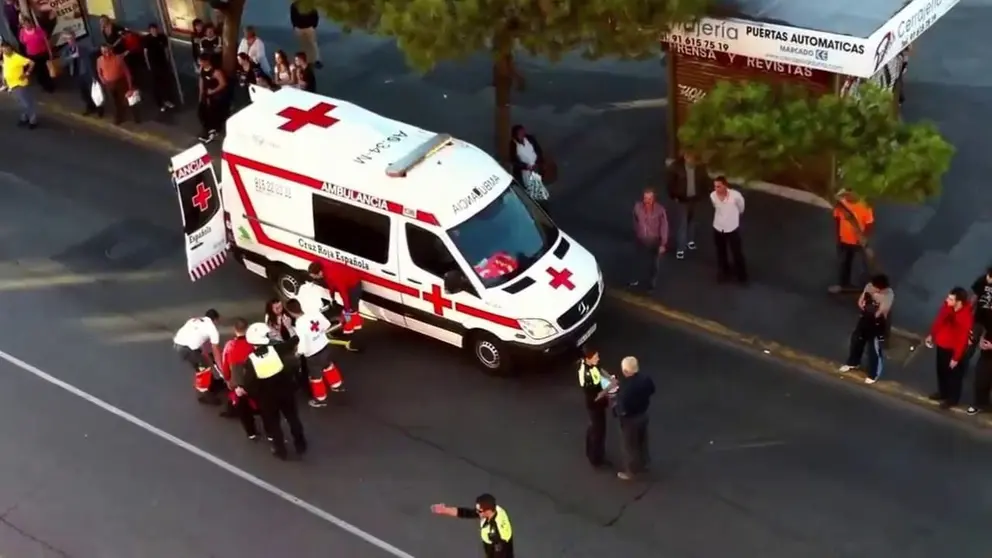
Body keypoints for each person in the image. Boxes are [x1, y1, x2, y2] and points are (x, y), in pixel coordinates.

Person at [236, 322, 307, 460]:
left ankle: (281, 450)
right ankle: (300, 443)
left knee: (274, 424)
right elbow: (291, 343)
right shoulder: (276, 349)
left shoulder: (250, 361)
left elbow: (250, 384)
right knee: (293, 418)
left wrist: (244, 391)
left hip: (267, 398)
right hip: (286, 390)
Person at [284, 298, 344, 407]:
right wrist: (320, 333)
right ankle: (336, 385)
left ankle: (320, 399)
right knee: (328, 366)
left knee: (316, 377)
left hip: (313, 354)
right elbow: (326, 324)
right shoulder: (312, 314)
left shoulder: (299, 324)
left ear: (290, 312)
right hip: (324, 345)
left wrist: (299, 352)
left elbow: (304, 342)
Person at [839, 274, 894, 384]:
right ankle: (853, 362)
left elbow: (882, 311)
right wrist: (864, 305)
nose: (874, 289)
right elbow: (861, 300)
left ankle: (874, 374)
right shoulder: (869, 286)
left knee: (874, 348)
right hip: (865, 318)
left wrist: (873, 310)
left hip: (877, 323)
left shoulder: (888, 294)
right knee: (857, 340)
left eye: (877, 288)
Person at [925, 287, 973, 409]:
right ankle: (943, 392)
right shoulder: (947, 307)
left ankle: (952, 399)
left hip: (953, 349)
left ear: (959, 302)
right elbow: (939, 320)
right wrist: (932, 334)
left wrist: (956, 358)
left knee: (954, 376)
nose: (947, 300)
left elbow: (962, 340)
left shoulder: (965, 317)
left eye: (951, 299)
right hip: (942, 344)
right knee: (941, 371)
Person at [431, 494, 513, 558]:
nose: (477, 512)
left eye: (479, 511)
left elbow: (500, 552)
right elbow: (467, 513)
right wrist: (445, 510)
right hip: (492, 543)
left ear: (488, 511)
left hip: (499, 548)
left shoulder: (497, 532)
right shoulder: (493, 509)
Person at [172, 309, 223, 405]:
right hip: (187, 349)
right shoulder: (212, 329)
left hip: (179, 343)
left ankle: (211, 383)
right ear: (215, 319)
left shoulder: (195, 320)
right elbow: (216, 352)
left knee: (202, 363)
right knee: (204, 369)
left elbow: (202, 343)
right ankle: (204, 396)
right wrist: (221, 370)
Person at [615, 356, 654, 481]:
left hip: (630, 420)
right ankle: (644, 463)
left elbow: (622, 408)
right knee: (642, 441)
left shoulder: (626, 388)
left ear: (626, 371)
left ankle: (631, 471)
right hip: (643, 414)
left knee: (629, 446)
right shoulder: (646, 379)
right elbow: (652, 389)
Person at [829, 191, 874, 293]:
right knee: (843, 263)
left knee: (864, 265)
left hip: (859, 242)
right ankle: (843, 285)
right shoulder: (841, 205)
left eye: (849, 194)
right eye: (845, 194)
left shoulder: (864, 206)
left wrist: (865, 238)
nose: (847, 197)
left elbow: (869, 223)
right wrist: (838, 236)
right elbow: (837, 219)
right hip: (844, 240)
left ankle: (866, 288)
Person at [220, 318, 260, 435]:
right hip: (253, 380)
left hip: (238, 382)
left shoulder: (230, 346)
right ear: (247, 329)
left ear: (234, 329)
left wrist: (227, 378)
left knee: (242, 406)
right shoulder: (253, 345)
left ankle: (251, 432)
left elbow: (225, 365)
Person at [577, 346, 615, 468]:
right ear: (588, 359)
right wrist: (610, 387)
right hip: (595, 405)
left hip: (598, 404)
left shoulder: (592, 364)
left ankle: (593, 452)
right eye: (596, 357)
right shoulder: (587, 376)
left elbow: (600, 370)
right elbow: (596, 396)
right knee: (598, 431)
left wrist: (609, 377)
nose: (598, 358)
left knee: (595, 428)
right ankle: (596, 458)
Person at [666, 153, 708, 260]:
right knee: (682, 223)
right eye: (689, 157)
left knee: (691, 220)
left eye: (693, 157)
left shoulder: (700, 169)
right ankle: (681, 248)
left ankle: (690, 240)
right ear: (685, 157)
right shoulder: (676, 168)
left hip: (694, 199)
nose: (691, 160)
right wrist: (674, 195)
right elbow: (670, 183)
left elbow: (705, 182)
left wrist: (703, 194)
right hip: (681, 199)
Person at [308, 261, 364, 336]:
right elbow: (331, 284)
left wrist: (346, 308)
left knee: (351, 310)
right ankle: (351, 324)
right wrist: (332, 297)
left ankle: (352, 328)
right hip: (347, 279)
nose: (314, 278)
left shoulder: (334, 276)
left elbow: (344, 294)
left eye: (314, 276)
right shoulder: (326, 272)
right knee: (348, 310)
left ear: (320, 272)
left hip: (354, 284)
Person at [629, 187, 668, 290]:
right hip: (641, 239)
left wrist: (663, 243)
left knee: (654, 264)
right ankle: (635, 279)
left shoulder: (660, 210)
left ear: (654, 198)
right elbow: (635, 220)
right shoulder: (637, 207)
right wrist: (637, 231)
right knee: (637, 260)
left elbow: (664, 227)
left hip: (654, 240)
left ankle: (652, 283)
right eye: (645, 198)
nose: (647, 201)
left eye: (650, 198)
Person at [710, 176, 747, 284]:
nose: (716, 189)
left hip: (732, 228)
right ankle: (723, 271)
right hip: (718, 227)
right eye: (715, 186)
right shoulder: (713, 196)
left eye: (719, 186)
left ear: (725, 186)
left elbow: (741, 207)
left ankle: (742, 276)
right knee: (721, 251)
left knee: (737, 252)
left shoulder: (735, 196)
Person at [59, 32, 99, 116]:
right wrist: (72, 57)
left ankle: (99, 107)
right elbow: (62, 62)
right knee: (83, 93)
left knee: (93, 91)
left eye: (72, 39)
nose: (71, 41)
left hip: (86, 73)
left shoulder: (82, 47)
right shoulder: (66, 50)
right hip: (76, 74)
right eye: (69, 39)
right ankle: (90, 107)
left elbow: (92, 51)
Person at [96, 43, 138, 125]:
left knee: (129, 100)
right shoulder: (99, 60)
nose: (106, 53)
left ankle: (136, 117)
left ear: (111, 50)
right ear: (101, 52)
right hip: (109, 84)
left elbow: (127, 72)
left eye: (108, 50)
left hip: (121, 82)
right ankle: (118, 118)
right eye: (104, 51)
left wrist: (130, 86)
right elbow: (99, 72)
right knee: (114, 102)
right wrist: (103, 80)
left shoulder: (118, 58)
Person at [1, 41, 38, 129]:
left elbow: (32, 63)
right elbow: (5, 66)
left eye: (7, 50)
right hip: (11, 85)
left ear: (11, 49)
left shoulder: (17, 57)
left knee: (27, 103)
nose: (5, 52)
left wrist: (27, 73)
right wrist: (4, 80)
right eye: (3, 50)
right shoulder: (5, 56)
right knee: (20, 103)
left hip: (20, 84)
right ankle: (24, 118)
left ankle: (33, 121)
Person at [143, 23, 176, 113]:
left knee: (166, 83)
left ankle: (167, 100)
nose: (154, 31)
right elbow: (145, 52)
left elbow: (166, 50)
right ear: (150, 31)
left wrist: (167, 60)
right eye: (152, 30)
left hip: (163, 63)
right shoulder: (147, 39)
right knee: (156, 85)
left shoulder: (162, 37)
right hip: (154, 65)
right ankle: (160, 103)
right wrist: (148, 65)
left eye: (155, 29)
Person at [197, 54, 228, 143]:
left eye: (201, 61)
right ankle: (207, 129)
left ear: (206, 61)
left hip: (215, 97)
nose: (200, 63)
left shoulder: (216, 72)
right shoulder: (202, 69)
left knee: (213, 114)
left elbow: (223, 84)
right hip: (205, 95)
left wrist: (213, 91)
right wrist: (200, 94)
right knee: (201, 113)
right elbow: (201, 80)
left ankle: (213, 132)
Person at [17, 19, 52, 93]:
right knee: (38, 71)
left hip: (42, 53)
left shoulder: (38, 30)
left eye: (27, 24)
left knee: (45, 70)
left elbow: (46, 41)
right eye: (24, 24)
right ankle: (43, 84)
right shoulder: (22, 32)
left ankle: (49, 85)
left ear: (31, 23)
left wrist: (50, 52)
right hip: (32, 55)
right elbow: (22, 42)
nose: (26, 26)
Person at [290, 1, 322, 69]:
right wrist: (295, 26)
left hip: (309, 27)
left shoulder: (310, 4)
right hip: (300, 28)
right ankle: (306, 61)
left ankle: (316, 60)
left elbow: (315, 15)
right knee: (304, 45)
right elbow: (293, 16)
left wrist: (313, 25)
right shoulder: (294, 5)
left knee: (313, 44)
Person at [968, 333, 992, 416]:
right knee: (981, 380)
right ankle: (981, 404)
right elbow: (985, 331)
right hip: (986, 356)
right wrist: (981, 341)